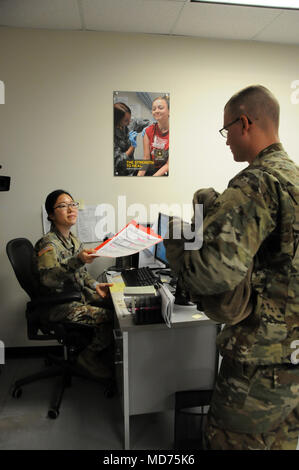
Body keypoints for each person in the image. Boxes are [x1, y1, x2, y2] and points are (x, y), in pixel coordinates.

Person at [165, 85, 299, 450]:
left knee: (232, 442)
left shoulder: (256, 181)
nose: (226, 141)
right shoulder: (294, 178)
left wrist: (175, 240)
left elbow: (211, 273)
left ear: (244, 123)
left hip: (259, 364)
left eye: (226, 131)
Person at [34, 189, 114, 380]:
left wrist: (95, 285)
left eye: (73, 204)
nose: (71, 209)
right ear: (52, 215)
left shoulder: (73, 240)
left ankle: (100, 352)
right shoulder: (48, 244)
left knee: (116, 304)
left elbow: (81, 273)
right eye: (63, 206)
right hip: (59, 305)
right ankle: (88, 357)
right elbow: (48, 279)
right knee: (111, 318)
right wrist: (77, 260)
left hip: (77, 296)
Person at [113, 102, 149, 176]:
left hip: (131, 167)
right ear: (117, 120)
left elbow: (148, 122)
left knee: (150, 166)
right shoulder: (112, 135)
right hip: (120, 173)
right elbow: (119, 162)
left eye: (130, 118)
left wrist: (148, 128)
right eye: (126, 120)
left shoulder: (131, 122)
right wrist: (132, 147)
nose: (129, 122)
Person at [137, 95, 169, 176]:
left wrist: (152, 180)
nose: (156, 111)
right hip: (152, 170)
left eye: (160, 108)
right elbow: (146, 159)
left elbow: (168, 165)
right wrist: (138, 178)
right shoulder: (148, 131)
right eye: (154, 109)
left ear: (169, 111)